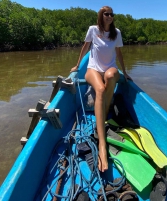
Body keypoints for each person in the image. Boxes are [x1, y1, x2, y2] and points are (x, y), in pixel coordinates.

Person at [70, 6, 131, 172]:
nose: (110, 16)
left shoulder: (116, 32)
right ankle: (102, 146)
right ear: (101, 16)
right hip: (93, 70)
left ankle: (103, 110)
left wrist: (124, 72)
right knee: (101, 90)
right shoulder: (93, 30)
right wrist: (77, 65)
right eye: (107, 14)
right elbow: (85, 47)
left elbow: (118, 53)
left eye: (112, 14)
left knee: (111, 76)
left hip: (109, 68)